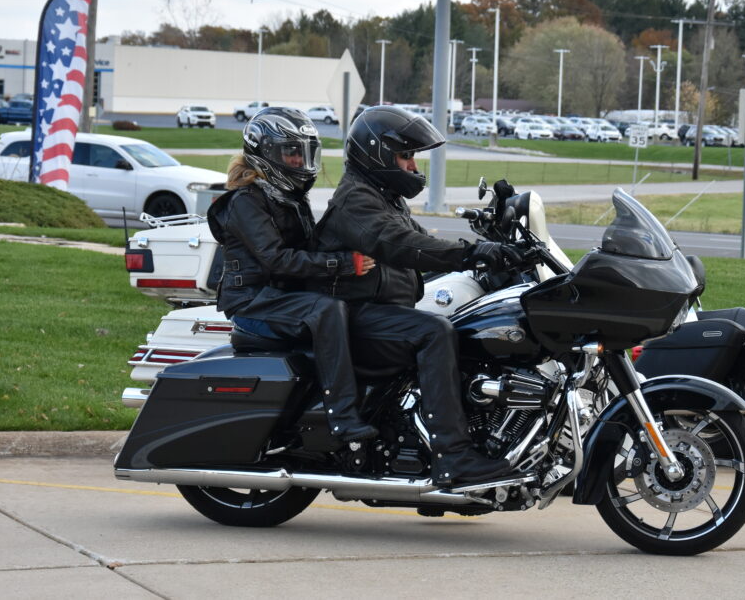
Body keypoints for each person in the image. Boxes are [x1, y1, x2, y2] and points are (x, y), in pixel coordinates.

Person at [314, 105, 520, 486]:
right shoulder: (355, 201)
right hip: (355, 317)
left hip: (378, 312)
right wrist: (470, 252)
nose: (412, 166)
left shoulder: (383, 196)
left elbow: (423, 242)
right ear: (377, 153)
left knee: (463, 323)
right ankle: (452, 457)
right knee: (434, 331)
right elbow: (401, 244)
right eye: (405, 155)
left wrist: (491, 243)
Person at [206, 107, 378, 442]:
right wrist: (343, 264)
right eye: (291, 152)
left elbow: (312, 248)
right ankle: (342, 417)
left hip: (281, 298)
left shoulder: (288, 198)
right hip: (254, 302)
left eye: (305, 153)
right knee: (327, 310)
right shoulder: (246, 201)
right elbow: (278, 260)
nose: (300, 161)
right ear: (265, 151)